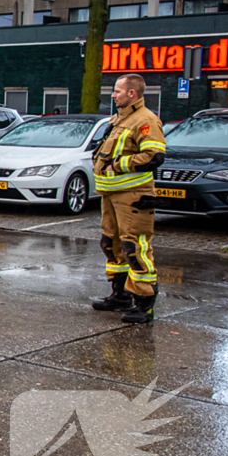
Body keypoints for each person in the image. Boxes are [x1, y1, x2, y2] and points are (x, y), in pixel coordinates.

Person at [91, 73, 165, 323]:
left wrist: (119, 165)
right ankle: (120, 295)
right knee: (111, 244)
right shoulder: (120, 118)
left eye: (117, 91)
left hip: (133, 196)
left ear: (132, 94)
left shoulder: (146, 120)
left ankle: (144, 303)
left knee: (135, 248)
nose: (113, 95)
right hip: (111, 194)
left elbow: (153, 156)